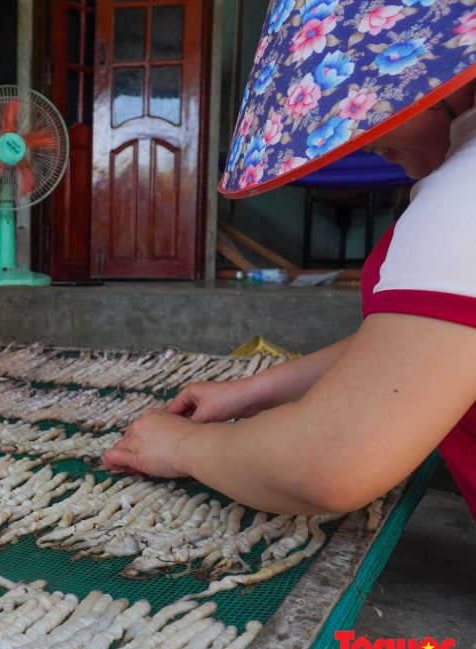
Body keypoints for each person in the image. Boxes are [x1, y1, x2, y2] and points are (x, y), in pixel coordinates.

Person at [103, 3, 476, 519]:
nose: (362, 143)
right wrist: (256, 391)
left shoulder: (463, 196)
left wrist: (181, 446)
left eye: (363, 109)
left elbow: (327, 466)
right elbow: (422, 343)